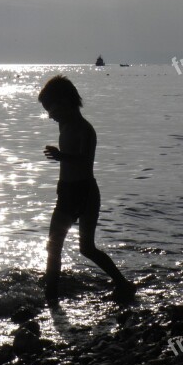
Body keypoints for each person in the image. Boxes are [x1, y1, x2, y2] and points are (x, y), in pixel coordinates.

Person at [38, 75, 135, 305]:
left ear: (65, 102)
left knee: (87, 248)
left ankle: (122, 283)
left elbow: (85, 160)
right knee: (54, 245)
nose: (50, 115)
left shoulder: (85, 130)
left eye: (52, 109)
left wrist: (62, 156)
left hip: (85, 192)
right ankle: (51, 294)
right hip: (66, 191)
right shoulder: (64, 124)